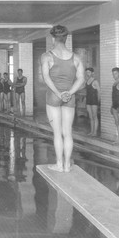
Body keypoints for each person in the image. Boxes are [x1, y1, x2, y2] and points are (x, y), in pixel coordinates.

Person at [40, 25, 85, 172]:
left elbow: (46, 78)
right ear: (65, 38)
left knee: (57, 133)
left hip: (54, 96)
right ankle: (67, 165)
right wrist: (69, 92)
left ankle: (59, 164)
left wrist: (58, 93)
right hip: (69, 97)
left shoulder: (47, 56)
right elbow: (81, 80)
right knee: (68, 132)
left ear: (53, 38)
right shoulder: (76, 58)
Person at [84, 67, 100, 136]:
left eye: (89, 72)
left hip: (94, 100)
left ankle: (95, 132)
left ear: (92, 73)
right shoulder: (87, 81)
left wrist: (98, 101)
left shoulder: (95, 81)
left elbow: (99, 91)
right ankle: (91, 131)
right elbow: (86, 91)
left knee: (94, 116)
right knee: (90, 117)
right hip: (88, 100)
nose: (87, 74)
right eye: (87, 72)